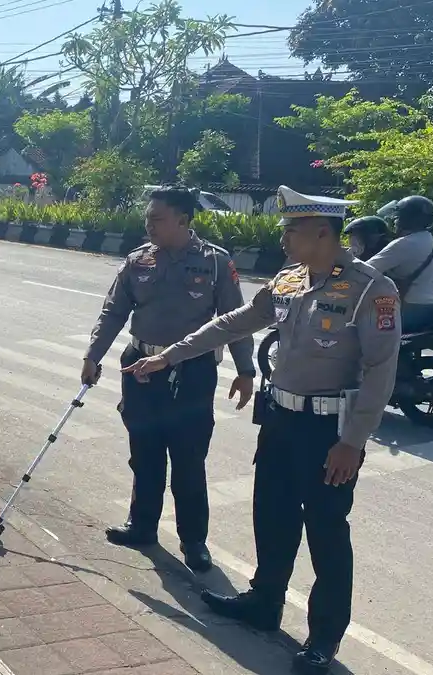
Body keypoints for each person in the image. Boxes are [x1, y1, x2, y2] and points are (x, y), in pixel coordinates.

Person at [122, 185, 401, 674]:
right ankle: (264, 602)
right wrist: (170, 354)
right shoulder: (289, 280)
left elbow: (381, 370)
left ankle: (322, 639)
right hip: (279, 419)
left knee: (326, 534)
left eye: (292, 229)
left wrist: (352, 442)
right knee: (272, 516)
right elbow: (235, 322)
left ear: (322, 231)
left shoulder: (370, 290)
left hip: (328, 431)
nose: (285, 239)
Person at [80, 185, 256, 573]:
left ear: (183, 220)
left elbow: (237, 321)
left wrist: (246, 371)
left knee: (189, 458)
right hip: (139, 365)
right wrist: (93, 355)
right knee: (144, 452)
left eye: (157, 219)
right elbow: (113, 313)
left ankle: (193, 540)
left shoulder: (214, 263)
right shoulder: (137, 261)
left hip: (191, 373)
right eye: (148, 218)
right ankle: (142, 525)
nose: (149, 225)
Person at [367, 195, 433, 333]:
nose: (395, 221)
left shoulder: (404, 244)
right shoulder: (427, 238)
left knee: (367, 326)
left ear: (406, 219)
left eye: (398, 217)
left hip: (415, 309)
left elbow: (365, 269)